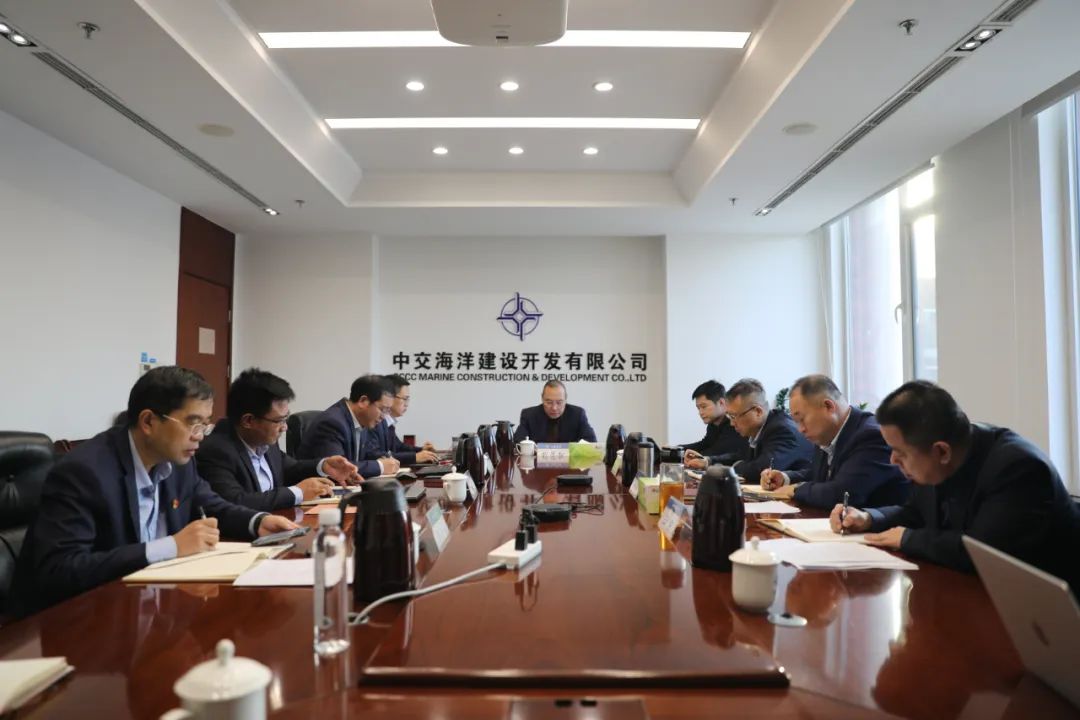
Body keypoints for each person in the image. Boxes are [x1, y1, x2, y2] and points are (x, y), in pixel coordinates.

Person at [16, 367, 298, 612]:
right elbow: (60, 570)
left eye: (205, 424)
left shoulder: (179, 461)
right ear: (149, 422)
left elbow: (212, 504)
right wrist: (172, 547)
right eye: (193, 423)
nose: (200, 436)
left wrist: (258, 521)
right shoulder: (84, 472)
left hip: (148, 603)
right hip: (78, 622)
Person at [830, 380, 1080, 589]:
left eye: (900, 452)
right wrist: (868, 518)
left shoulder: (1018, 469)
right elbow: (915, 513)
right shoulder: (936, 458)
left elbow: (982, 554)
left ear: (942, 452)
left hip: (1044, 613)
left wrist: (908, 539)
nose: (892, 460)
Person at [195, 368, 361, 512]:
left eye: (286, 418)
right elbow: (235, 502)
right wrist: (297, 492)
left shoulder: (264, 442)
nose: (285, 427)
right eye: (279, 421)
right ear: (248, 421)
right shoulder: (216, 450)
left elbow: (290, 468)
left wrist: (324, 466)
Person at [759, 374, 909, 508]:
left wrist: (796, 489)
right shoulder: (827, 433)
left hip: (882, 527)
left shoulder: (871, 436)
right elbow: (819, 476)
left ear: (829, 406)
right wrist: (785, 478)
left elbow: (843, 493)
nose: (800, 429)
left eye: (802, 419)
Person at [296, 374, 400, 478]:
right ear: (363, 401)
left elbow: (369, 454)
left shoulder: (362, 420)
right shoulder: (332, 423)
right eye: (383, 409)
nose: (384, 417)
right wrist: (380, 466)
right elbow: (339, 468)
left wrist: (387, 460)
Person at [722, 378, 813, 484]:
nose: (732, 423)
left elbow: (761, 470)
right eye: (729, 416)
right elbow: (741, 456)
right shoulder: (756, 430)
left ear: (758, 411)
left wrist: (734, 467)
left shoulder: (781, 430)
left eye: (734, 416)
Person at [370, 374, 438, 465]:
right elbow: (375, 455)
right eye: (405, 399)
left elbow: (398, 447)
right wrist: (415, 457)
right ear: (389, 396)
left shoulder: (388, 422)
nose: (406, 404)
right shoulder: (374, 421)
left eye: (407, 399)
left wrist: (421, 450)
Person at [682, 380, 749, 470]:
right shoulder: (713, 424)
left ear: (721, 403)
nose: (700, 412)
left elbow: (716, 451)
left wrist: (687, 455)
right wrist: (676, 449)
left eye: (704, 407)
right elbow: (704, 444)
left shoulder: (733, 424)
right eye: (698, 408)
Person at [512, 380, 597, 443]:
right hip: (536, 461)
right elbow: (518, 442)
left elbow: (591, 441)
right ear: (542, 398)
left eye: (559, 402)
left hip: (570, 461)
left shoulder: (577, 414)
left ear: (566, 399)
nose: (554, 408)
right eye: (549, 402)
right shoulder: (529, 415)